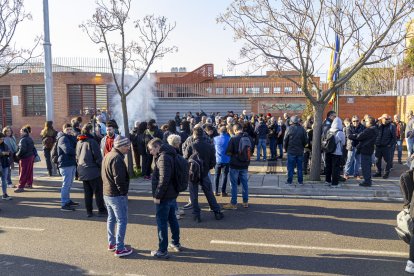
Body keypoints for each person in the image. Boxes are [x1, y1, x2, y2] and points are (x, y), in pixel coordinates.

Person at [148, 138, 182, 259]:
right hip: (172, 193)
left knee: (162, 223)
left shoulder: (163, 158)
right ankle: (175, 242)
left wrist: (157, 196)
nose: (150, 152)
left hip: (165, 196)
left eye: (151, 149)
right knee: (172, 219)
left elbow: (164, 179)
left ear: (157, 147)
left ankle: (162, 250)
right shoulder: (170, 153)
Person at [183, 126, 224, 222]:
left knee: (193, 194)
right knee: (209, 193)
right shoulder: (209, 146)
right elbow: (213, 162)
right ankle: (217, 212)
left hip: (193, 173)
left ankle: (196, 215)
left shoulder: (191, 145)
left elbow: (185, 159)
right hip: (204, 172)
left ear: (194, 134)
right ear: (203, 134)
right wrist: (207, 168)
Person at [102, 136, 133, 257]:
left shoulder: (108, 155)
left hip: (107, 192)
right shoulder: (117, 158)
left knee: (111, 218)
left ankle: (112, 243)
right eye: (127, 146)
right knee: (122, 220)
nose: (128, 149)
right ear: (121, 146)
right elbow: (119, 179)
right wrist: (123, 192)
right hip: (116, 194)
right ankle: (120, 248)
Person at [76, 124, 106, 218]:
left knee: (87, 193)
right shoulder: (92, 141)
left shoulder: (79, 141)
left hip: (83, 171)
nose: (97, 131)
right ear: (90, 131)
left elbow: (77, 157)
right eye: (95, 129)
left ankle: (89, 211)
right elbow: (98, 157)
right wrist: (101, 168)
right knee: (98, 192)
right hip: (93, 171)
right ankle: (101, 210)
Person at [223, 123, 252, 210]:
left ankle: (234, 203)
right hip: (245, 165)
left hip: (234, 165)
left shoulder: (233, 139)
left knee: (234, 185)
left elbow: (228, 152)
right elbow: (251, 150)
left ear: (235, 130)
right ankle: (245, 202)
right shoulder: (248, 138)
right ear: (241, 129)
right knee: (245, 184)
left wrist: (234, 154)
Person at [348, 116, 378, 187]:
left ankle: (367, 181)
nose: (364, 122)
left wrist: (351, 136)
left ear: (370, 122)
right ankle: (368, 180)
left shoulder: (369, 130)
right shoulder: (374, 128)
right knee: (367, 166)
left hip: (366, 149)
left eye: (366, 121)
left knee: (365, 166)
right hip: (369, 149)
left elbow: (359, 136)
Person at [56, 123, 79, 211]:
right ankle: (64, 204)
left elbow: (76, 144)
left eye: (70, 129)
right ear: (63, 130)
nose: (69, 131)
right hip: (65, 164)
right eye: (67, 130)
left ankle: (68, 200)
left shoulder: (70, 137)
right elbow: (67, 150)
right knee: (66, 184)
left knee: (69, 184)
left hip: (71, 163)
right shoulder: (63, 138)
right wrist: (78, 151)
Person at [283, 115, 308, 185]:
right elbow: (305, 141)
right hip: (300, 150)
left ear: (292, 121)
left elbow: (285, 140)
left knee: (290, 167)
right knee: (299, 167)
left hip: (291, 150)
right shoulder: (302, 129)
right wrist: (302, 146)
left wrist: (285, 148)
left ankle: (289, 181)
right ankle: (300, 181)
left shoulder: (289, 128)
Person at [324, 117, 346, 187]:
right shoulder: (340, 132)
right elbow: (343, 143)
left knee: (328, 167)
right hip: (337, 153)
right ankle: (334, 183)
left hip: (328, 151)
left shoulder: (329, 130)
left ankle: (327, 181)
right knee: (335, 168)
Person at [373, 114, 396, 179]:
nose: (386, 120)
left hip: (386, 146)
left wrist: (390, 145)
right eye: (385, 119)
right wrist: (378, 118)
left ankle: (386, 173)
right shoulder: (378, 125)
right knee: (377, 160)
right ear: (382, 119)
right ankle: (378, 172)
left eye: (388, 119)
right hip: (378, 146)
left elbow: (394, 138)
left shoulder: (391, 126)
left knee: (387, 161)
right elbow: (372, 124)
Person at [14, 125, 35, 193]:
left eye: (21, 131)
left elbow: (22, 150)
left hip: (24, 158)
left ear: (24, 132)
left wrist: (17, 155)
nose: (20, 132)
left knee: (23, 172)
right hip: (30, 156)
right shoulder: (30, 138)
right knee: (29, 171)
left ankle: (21, 186)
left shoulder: (23, 140)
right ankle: (29, 184)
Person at [344, 115, 364, 180]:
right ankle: (346, 174)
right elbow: (349, 136)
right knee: (349, 160)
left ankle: (356, 174)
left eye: (357, 121)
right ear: (352, 121)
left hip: (359, 146)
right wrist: (357, 135)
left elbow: (363, 135)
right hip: (351, 146)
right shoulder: (348, 127)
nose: (355, 122)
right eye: (354, 121)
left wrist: (354, 135)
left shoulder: (362, 127)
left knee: (358, 161)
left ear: (359, 121)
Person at [213, 126, 230, 196]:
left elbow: (213, 148)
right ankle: (223, 191)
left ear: (219, 131)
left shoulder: (215, 139)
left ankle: (216, 191)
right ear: (226, 131)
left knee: (216, 175)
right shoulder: (229, 139)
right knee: (224, 175)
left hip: (217, 159)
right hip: (226, 159)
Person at [0, 133, 11, 200]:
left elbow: (9, 152)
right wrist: (2, 153)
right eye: (1, 139)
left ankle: (4, 194)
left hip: (5, 164)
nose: (2, 140)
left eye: (3, 139)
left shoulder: (4, 145)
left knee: (4, 180)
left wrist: (8, 153)